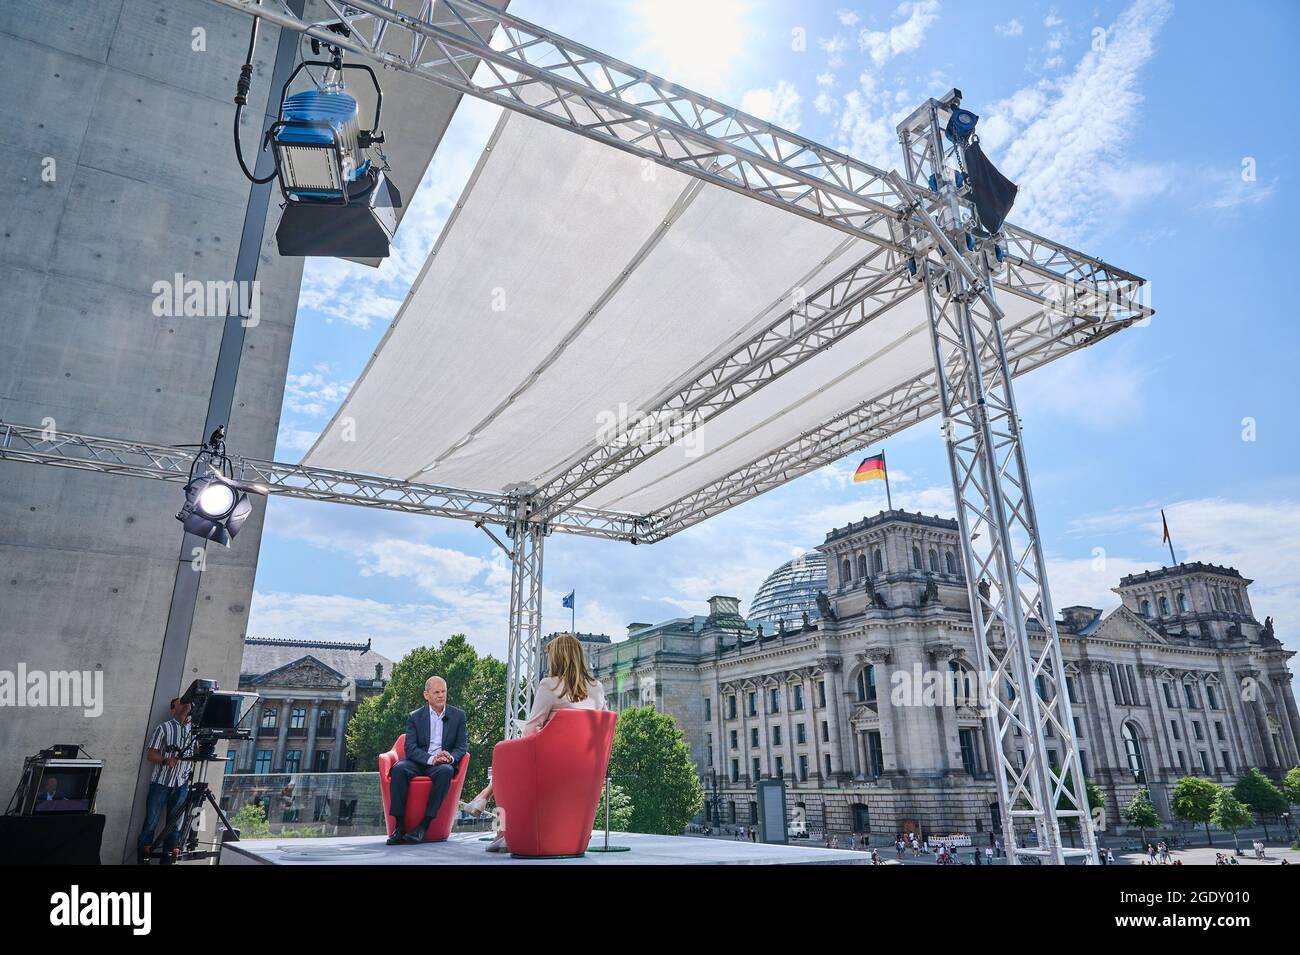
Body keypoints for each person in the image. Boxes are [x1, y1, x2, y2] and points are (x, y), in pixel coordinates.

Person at [463, 634, 606, 852]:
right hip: (585, 769)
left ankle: (501, 828)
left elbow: (531, 729)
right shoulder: (597, 688)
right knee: (510, 762)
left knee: (504, 757)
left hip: (550, 767)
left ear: (557, 658)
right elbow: (599, 728)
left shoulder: (549, 685)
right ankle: (486, 802)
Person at [387, 675, 468, 845]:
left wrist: (450, 757)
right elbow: (410, 748)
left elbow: (461, 747)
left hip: (442, 764)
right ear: (426, 695)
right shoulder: (415, 717)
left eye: (444, 691)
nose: (441, 695)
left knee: (446, 771)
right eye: (436, 692)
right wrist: (432, 759)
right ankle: (399, 827)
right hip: (419, 761)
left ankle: (423, 826)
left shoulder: (458, 716)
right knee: (399, 769)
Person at [135, 697, 193, 864]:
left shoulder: (193, 731)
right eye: (181, 702)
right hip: (160, 783)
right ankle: (142, 861)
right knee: (150, 825)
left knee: (174, 828)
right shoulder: (163, 728)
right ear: (172, 709)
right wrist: (166, 760)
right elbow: (150, 754)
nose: (185, 704)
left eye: (186, 702)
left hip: (181, 785)